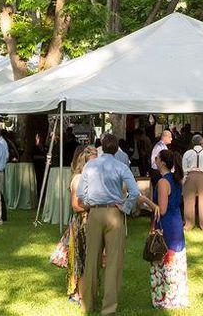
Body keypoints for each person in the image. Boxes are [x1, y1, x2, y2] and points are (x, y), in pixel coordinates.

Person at [78, 133, 158, 315]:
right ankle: (109, 308)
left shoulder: (90, 165)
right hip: (115, 213)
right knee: (114, 262)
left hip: (95, 212)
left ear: (101, 146)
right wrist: (126, 207)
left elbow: (81, 194)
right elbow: (135, 192)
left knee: (91, 259)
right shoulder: (121, 166)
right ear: (116, 149)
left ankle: (87, 305)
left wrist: (90, 203)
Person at [151, 148, 189, 309]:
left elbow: (162, 209)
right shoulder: (176, 179)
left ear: (163, 162)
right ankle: (177, 295)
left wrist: (145, 200)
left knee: (164, 258)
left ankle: (165, 297)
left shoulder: (163, 182)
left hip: (167, 223)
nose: (155, 160)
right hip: (176, 221)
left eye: (157, 158)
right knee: (175, 259)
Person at [66, 146, 97, 304]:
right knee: (81, 258)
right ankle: (78, 294)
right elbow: (76, 206)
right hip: (81, 223)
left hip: (92, 221)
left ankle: (87, 292)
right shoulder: (78, 179)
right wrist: (94, 204)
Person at [182, 134, 203, 231]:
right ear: (202, 142)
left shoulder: (187, 153)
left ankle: (188, 224)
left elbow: (184, 167)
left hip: (190, 176)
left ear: (193, 142)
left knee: (188, 201)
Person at [149, 129, 172, 199]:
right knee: (160, 192)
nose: (171, 139)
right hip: (157, 172)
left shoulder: (162, 146)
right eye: (170, 137)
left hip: (160, 171)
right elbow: (157, 161)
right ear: (165, 137)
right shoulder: (159, 147)